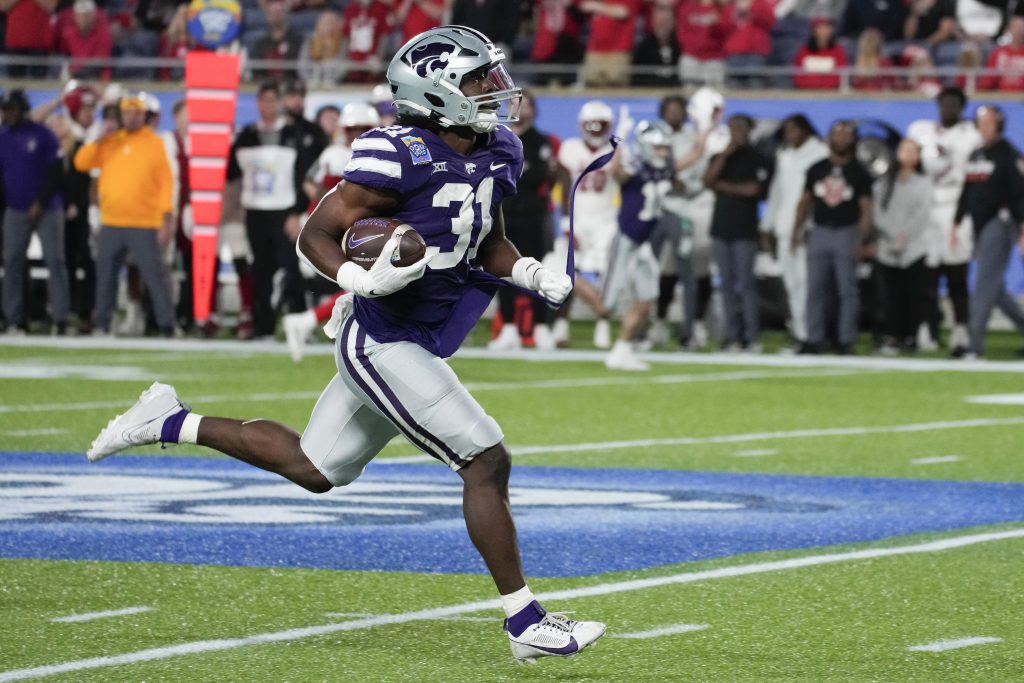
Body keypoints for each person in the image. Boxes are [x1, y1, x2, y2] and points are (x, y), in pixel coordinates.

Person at [86, 25, 605, 662]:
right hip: (381, 337)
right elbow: (316, 233)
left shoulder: (501, 148)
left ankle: (167, 419)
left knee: (316, 468)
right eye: (477, 79)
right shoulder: (395, 153)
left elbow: (485, 234)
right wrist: (361, 276)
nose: (493, 88)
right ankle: (525, 622)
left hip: (417, 335)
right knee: (484, 459)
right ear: (437, 92)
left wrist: (527, 271)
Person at [283, 100, 381, 362]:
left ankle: (311, 322)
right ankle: (313, 323)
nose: (358, 134)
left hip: (349, 231)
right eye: (353, 129)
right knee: (366, 285)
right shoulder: (339, 155)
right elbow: (321, 191)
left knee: (364, 287)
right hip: (339, 234)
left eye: (363, 128)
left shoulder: (360, 155)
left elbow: (313, 185)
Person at [74, 92, 176, 338]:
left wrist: (166, 217)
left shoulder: (154, 143)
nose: (131, 117)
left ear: (143, 115)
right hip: (111, 221)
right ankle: (102, 323)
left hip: (143, 222)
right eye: (127, 112)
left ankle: (166, 324)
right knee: (105, 275)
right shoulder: (110, 141)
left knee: (154, 276)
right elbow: (81, 162)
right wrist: (97, 138)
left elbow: (165, 182)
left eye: (136, 113)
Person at [226, 80, 313, 338]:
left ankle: (300, 323)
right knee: (261, 270)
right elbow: (230, 172)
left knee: (290, 266)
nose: (268, 105)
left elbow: (302, 178)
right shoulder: (246, 135)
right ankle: (262, 325)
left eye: (273, 100)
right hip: (255, 212)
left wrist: (296, 213)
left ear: (280, 103)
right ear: (258, 103)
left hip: (284, 211)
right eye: (264, 100)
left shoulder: (292, 134)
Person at [906, 87, 981, 355]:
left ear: (962, 108)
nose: (948, 109)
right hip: (926, 208)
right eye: (944, 104)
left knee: (956, 275)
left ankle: (960, 330)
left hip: (955, 207)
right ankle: (926, 328)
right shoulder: (920, 130)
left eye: (954, 105)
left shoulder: (972, 136)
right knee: (927, 275)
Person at [791, 120, 873, 355]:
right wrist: (796, 232)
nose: (842, 138)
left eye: (847, 134)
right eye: (837, 134)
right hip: (820, 230)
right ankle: (813, 337)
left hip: (846, 231)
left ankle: (845, 339)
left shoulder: (859, 172)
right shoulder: (816, 168)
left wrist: (862, 238)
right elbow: (804, 202)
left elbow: (866, 208)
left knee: (847, 289)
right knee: (814, 288)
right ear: (829, 139)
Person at [488, 90, 561, 352]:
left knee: (536, 267)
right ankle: (507, 325)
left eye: (526, 104)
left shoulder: (542, 140)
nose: (520, 109)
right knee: (503, 269)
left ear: (534, 109)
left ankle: (540, 325)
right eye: (515, 103)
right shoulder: (497, 137)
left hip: (533, 214)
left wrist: (515, 172)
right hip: (503, 213)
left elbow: (536, 175)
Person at [602, 120, 674, 370]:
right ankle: (567, 283)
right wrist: (619, 141)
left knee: (646, 297)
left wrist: (705, 129)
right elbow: (616, 172)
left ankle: (622, 350)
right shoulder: (636, 167)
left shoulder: (661, 170)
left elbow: (691, 158)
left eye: (666, 147)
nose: (664, 152)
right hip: (624, 240)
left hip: (640, 246)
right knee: (606, 305)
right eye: (659, 147)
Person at [955, 105, 1024, 358]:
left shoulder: (1008, 155)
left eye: (989, 123)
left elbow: (1019, 195)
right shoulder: (976, 154)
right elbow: (968, 190)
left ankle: (974, 346)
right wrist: (956, 221)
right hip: (979, 223)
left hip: (1001, 222)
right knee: (996, 290)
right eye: (980, 122)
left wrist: (1022, 228)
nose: (983, 127)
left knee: (983, 286)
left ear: (1000, 125)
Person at [0, 90, 70, 335]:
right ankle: (14, 319)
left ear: (22, 109)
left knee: (55, 261)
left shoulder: (44, 135)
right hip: (15, 210)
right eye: (5, 109)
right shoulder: (3, 137)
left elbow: (56, 172)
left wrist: (40, 202)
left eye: (12, 109)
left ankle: (60, 318)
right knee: (12, 263)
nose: (8, 114)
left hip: (48, 209)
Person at [554, 100, 620, 349]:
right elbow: (563, 185)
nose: (595, 129)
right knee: (567, 274)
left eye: (600, 125)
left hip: (606, 220)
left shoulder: (616, 149)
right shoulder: (570, 148)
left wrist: (620, 155)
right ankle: (561, 325)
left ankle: (602, 325)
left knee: (605, 275)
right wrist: (565, 221)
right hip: (577, 218)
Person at [705, 113, 773, 352]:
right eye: (733, 127)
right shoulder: (720, 157)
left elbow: (754, 190)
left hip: (745, 230)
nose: (738, 131)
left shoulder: (758, 159)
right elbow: (709, 180)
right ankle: (731, 336)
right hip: (721, 228)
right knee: (726, 286)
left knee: (746, 285)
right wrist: (724, 155)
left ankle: (751, 336)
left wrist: (724, 187)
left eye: (742, 127)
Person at [760, 114, 828, 349]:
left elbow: (819, 197)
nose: (790, 135)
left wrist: (808, 227)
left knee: (808, 284)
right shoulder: (784, 155)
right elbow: (777, 193)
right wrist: (767, 226)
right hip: (783, 228)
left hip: (807, 231)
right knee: (791, 284)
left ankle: (813, 334)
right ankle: (800, 333)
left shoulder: (820, 153)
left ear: (805, 130)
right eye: (787, 131)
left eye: (794, 130)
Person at [872, 138, 932, 354]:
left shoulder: (924, 183)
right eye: (903, 150)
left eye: (912, 151)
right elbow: (877, 212)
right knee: (889, 295)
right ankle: (890, 335)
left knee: (913, 294)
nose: (907, 155)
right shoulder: (884, 183)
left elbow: (921, 215)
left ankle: (911, 336)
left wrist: (903, 238)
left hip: (913, 248)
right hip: (886, 247)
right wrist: (891, 236)